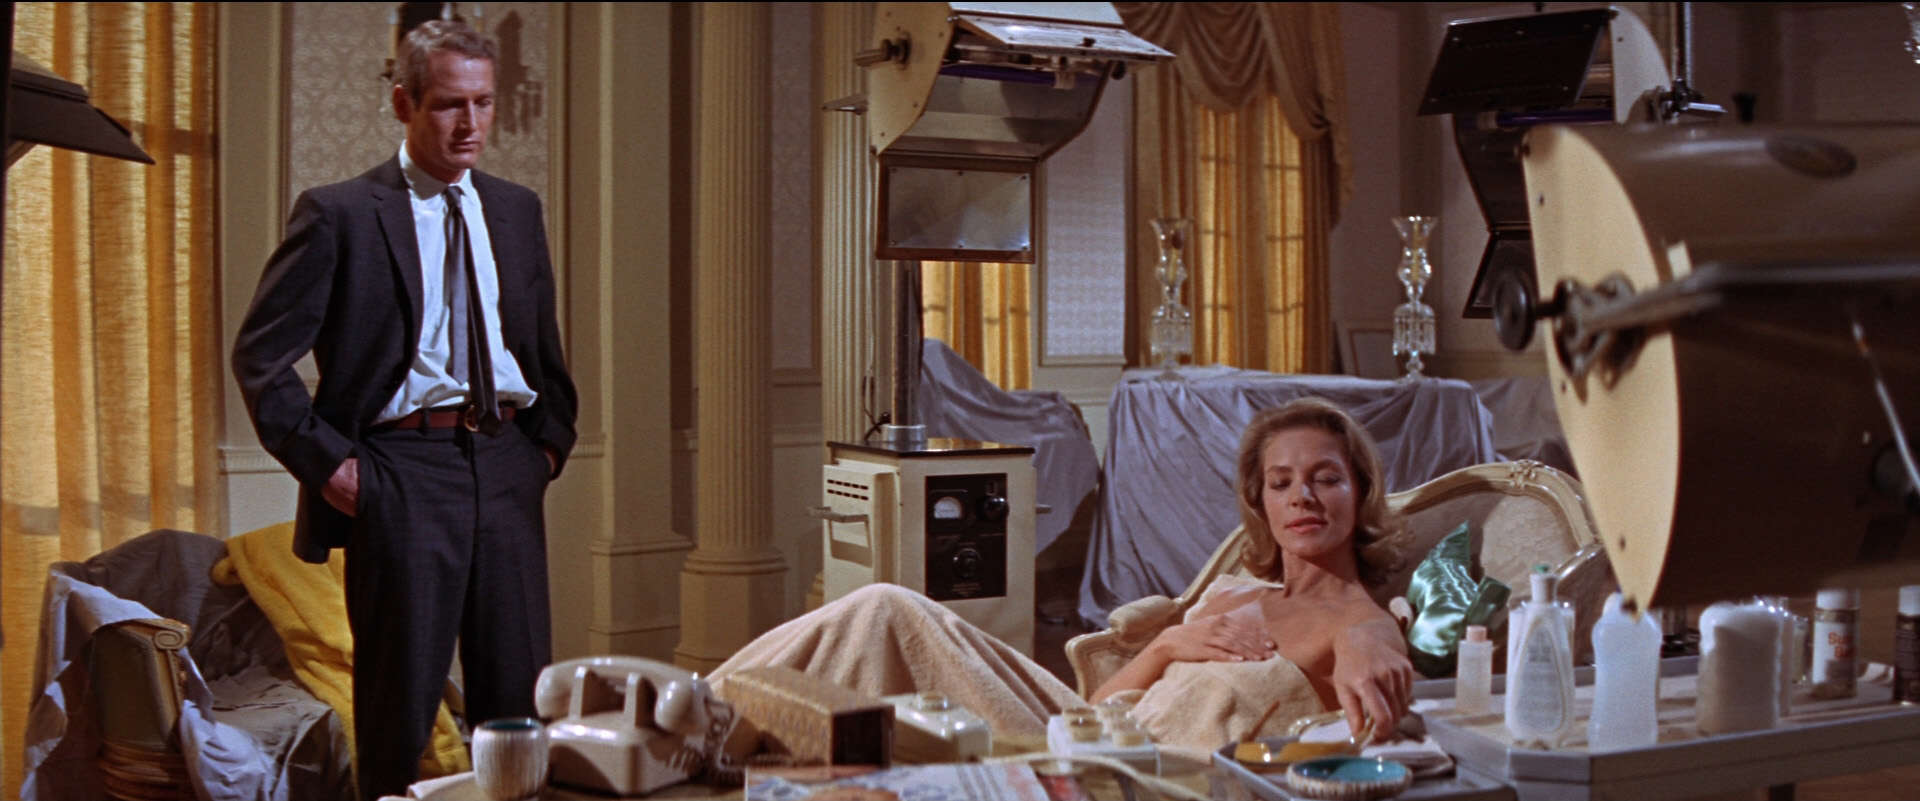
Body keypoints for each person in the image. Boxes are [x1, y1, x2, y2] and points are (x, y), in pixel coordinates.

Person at [230, 20, 576, 801]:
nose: (471, 124)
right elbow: (260, 356)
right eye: (450, 104)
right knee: (399, 709)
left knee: (518, 706)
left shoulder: (516, 209)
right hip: (401, 473)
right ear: (403, 103)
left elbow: (541, 350)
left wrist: (546, 448)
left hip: (506, 465)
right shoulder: (341, 213)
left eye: (484, 102)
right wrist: (333, 468)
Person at [708, 397, 1413, 750]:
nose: (1303, 498)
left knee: (886, 609)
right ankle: (698, 724)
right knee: (879, 610)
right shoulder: (1234, 591)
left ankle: (685, 719)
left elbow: (1384, 650)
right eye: (1282, 482)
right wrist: (1168, 645)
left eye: (1326, 478)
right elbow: (1099, 702)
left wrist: (1369, 638)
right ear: (1260, 501)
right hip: (1077, 730)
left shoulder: (1357, 624)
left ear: (1360, 489)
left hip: (1123, 778)